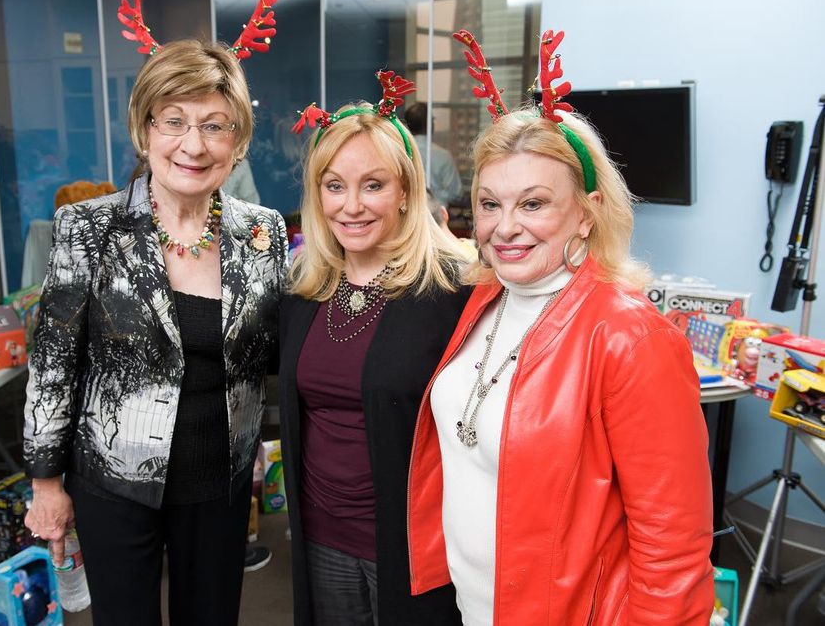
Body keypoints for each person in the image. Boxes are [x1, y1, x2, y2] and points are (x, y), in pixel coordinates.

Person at [406, 104, 715, 624]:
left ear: (587, 211)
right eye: (489, 204)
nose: (505, 228)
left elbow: (675, 552)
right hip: (474, 608)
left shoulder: (631, 337)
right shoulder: (486, 298)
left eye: (533, 204)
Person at [22, 39, 288, 626]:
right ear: (145, 131)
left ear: (238, 142)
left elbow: (279, 348)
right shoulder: (89, 227)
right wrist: (46, 483)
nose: (193, 145)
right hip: (112, 485)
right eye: (174, 121)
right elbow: (52, 365)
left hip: (219, 484)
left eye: (215, 126)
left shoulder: (263, 234)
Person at [279, 91, 470, 625]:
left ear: (406, 190)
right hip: (320, 536)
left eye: (374, 185)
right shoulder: (304, 290)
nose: (352, 205)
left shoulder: (452, 292)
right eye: (334, 186)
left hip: (413, 546)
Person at [403, 102, 463, 205]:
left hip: (405, 213)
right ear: (430, 124)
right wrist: (437, 195)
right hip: (436, 217)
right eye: (432, 120)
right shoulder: (443, 156)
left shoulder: (399, 153)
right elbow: (456, 193)